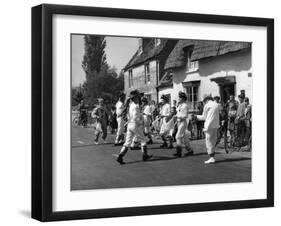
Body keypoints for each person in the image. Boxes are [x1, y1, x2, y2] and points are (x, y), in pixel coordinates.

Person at [116, 90, 152, 164]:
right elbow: (136, 117)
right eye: (138, 97)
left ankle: (120, 156)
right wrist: (140, 120)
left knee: (127, 142)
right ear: (135, 97)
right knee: (143, 140)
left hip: (130, 125)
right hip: (135, 124)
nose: (139, 98)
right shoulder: (136, 106)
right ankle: (145, 155)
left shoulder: (130, 105)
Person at [196, 94, 220, 164]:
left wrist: (196, 117)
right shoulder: (217, 104)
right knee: (213, 141)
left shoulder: (206, 105)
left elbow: (204, 117)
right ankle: (212, 156)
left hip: (208, 126)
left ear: (206, 100)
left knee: (208, 141)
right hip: (215, 125)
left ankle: (211, 157)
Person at [173, 92, 194, 157]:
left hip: (183, 122)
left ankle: (179, 152)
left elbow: (185, 116)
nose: (178, 98)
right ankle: (190, 150)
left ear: (183, 98)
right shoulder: (180, 105)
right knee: (185, 138)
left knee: (178, 136)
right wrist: (176, 115)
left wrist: (177, 117)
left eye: (180, 97)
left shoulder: (185, 106)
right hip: (179, 122)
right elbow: (178, 112)